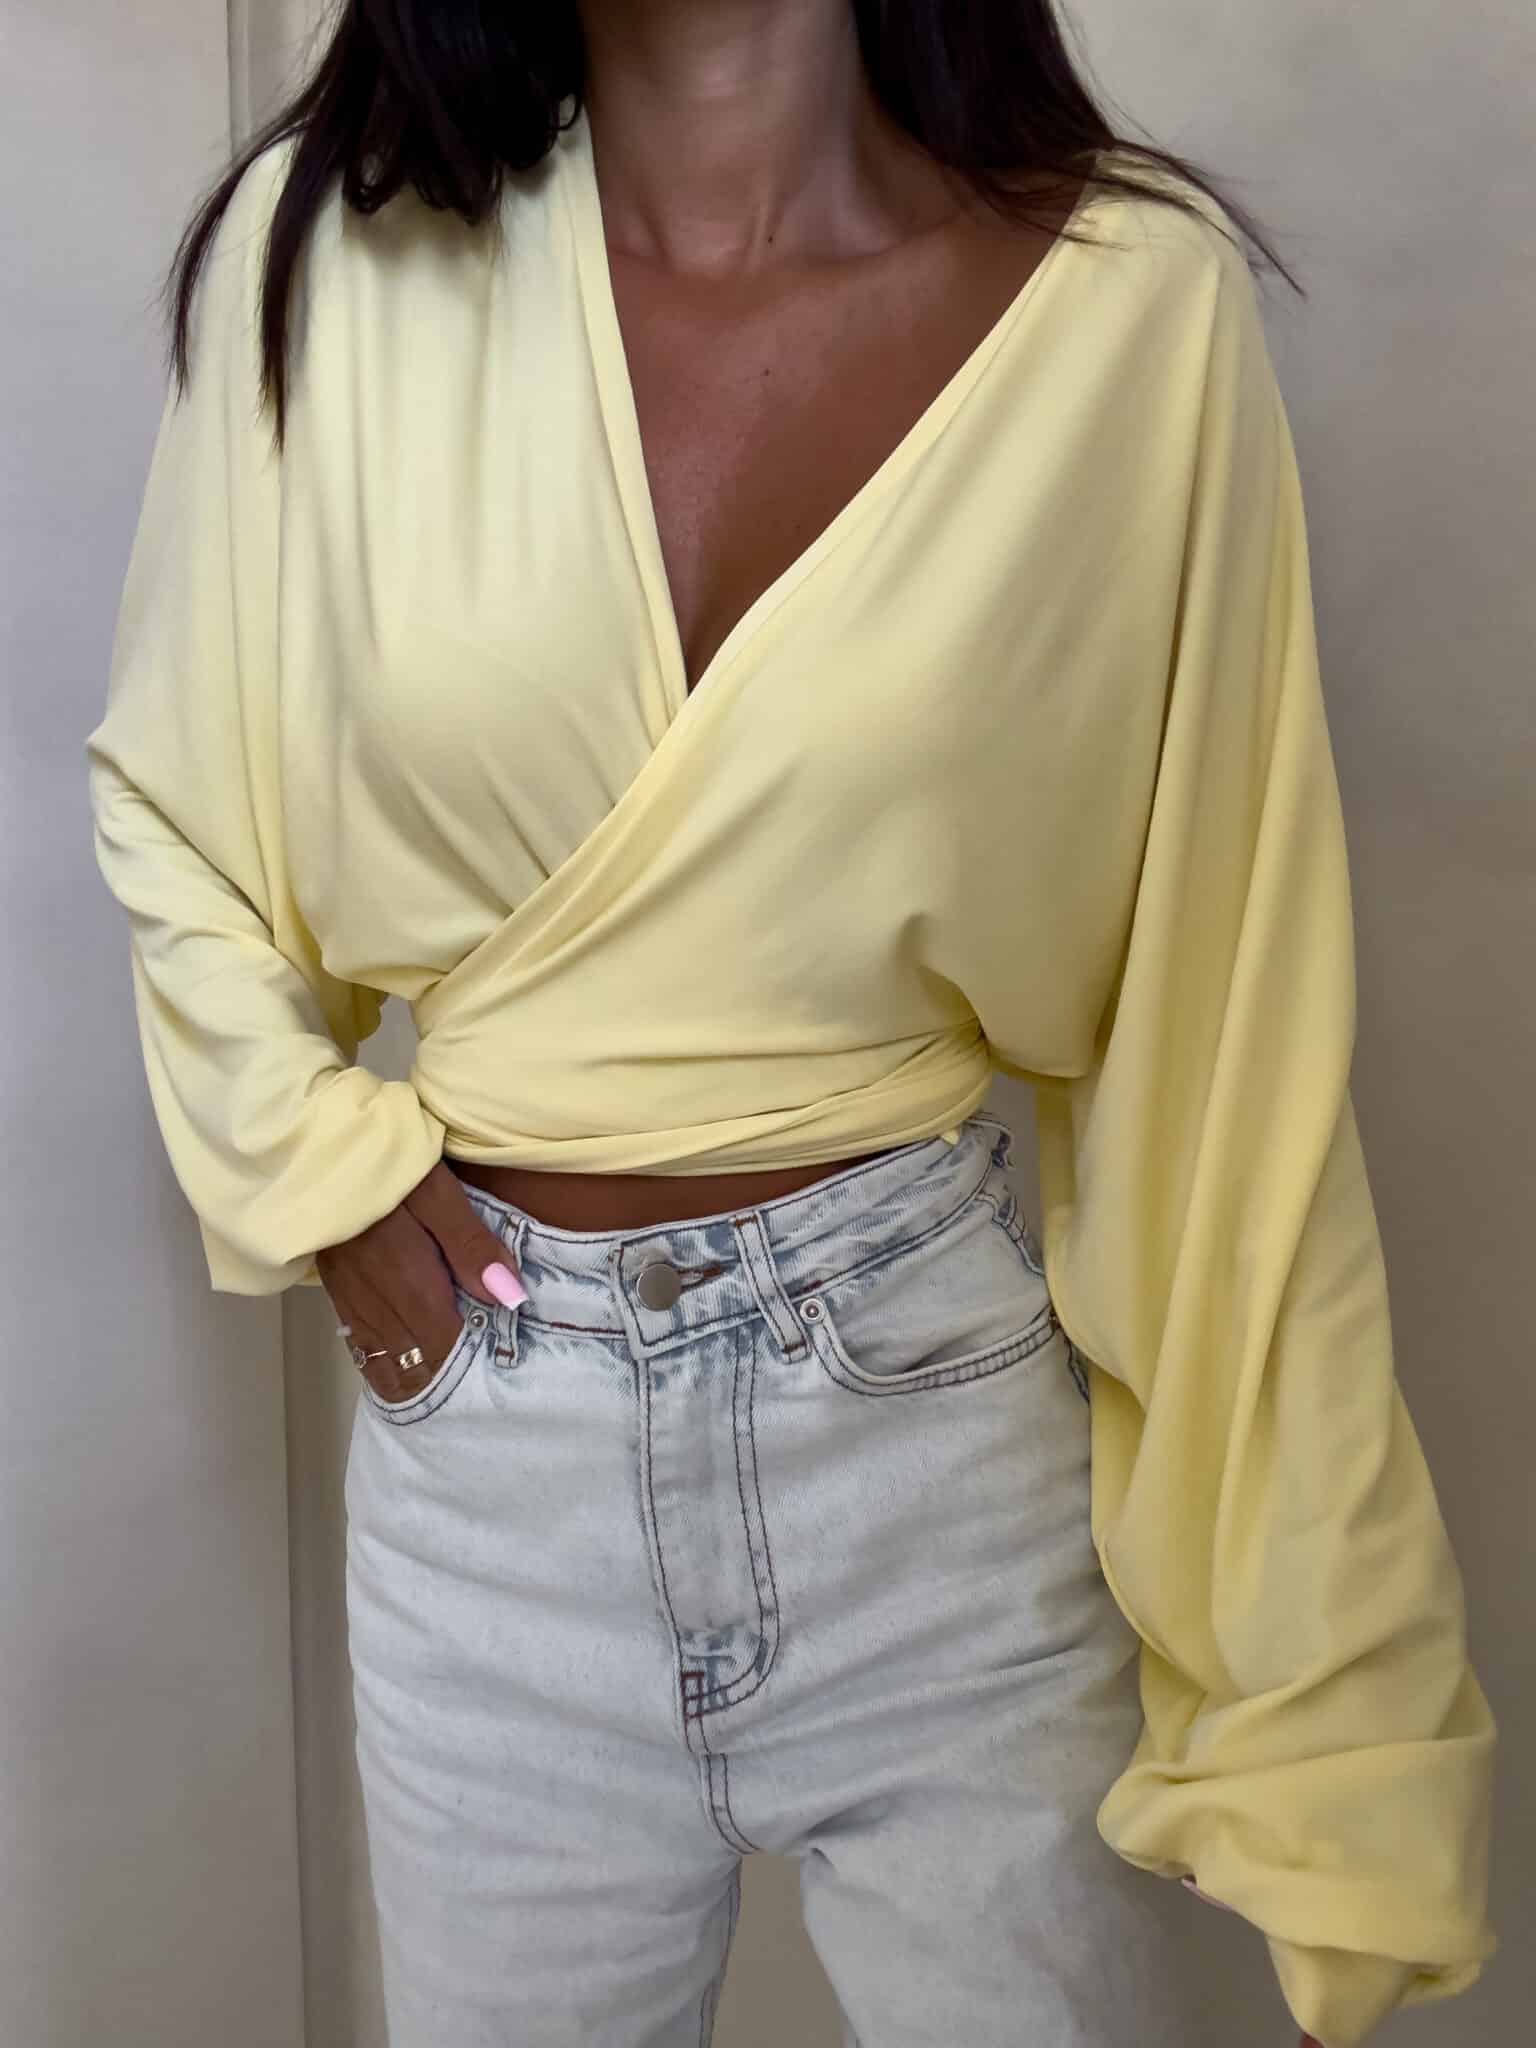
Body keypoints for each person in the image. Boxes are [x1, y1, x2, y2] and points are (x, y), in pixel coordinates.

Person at [83, 4, 1496, 2045]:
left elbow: (1229, 1029)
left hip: (936, 1436)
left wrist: (1317, 1700)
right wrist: (319, 1178)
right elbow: (178, 808)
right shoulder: (330, 256)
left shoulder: (1127, 309)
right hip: (493, 1473)